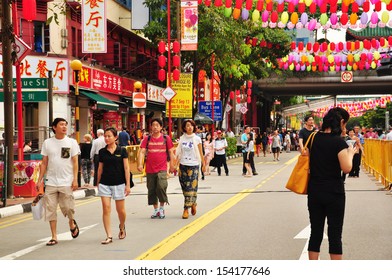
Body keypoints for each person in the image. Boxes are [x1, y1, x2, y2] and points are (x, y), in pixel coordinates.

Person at [307, 107, 356, 260]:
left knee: (315, 232)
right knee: (335, 234)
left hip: (314, 191)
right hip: (334, 193)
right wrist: (351, 153)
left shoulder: (313, 139)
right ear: (341, 122)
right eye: (345, 124)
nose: (345, 128)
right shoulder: (338, 143)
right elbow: (347, 168)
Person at [36, 118, 80, 246]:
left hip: (66, 181)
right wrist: (40, 180)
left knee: (68, 208)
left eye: (65, 125)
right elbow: (44, 162)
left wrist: (75, 179)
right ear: (54, 127)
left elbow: (75, 162)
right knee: (50, 209)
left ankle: (71, 222)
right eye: (61, 124)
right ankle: (54, 236)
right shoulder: (47, 143)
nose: (64, 127)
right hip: (51, 181)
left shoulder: (71, 142)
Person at [97, 127, 131, 244]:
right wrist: (97, 183)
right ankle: (109, 235)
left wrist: (127, 185)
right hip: (104, 184)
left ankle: (122, 226)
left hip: (119, 183)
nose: (106, 138)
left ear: (115, 137)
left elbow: (126, 168)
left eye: (109, 136)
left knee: (120, 210)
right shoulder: (102, 152)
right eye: (105, 136)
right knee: (106, 208)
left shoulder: (122, 151)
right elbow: (100, 168)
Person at [137, 118, 175, 219]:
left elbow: (171, 152)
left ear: (161, 127)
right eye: (153, 125)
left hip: (162, 168)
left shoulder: (166, 138)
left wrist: (172, 165)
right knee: (152, 189)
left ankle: (162, 208)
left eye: (157, 125)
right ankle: (155, 209)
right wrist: (140, 164)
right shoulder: (147, 139)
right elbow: (142, 151)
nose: (155, 127)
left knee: (161, 186)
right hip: (149, 169)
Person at [174, 119, 205, 219]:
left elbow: (201, 153)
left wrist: (203, 164)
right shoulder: (182, 139)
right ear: (184, 128)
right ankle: (193, 202)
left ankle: (185, 209)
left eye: (191, 125)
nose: (190, 127)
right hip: (183, 165)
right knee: (184, 187)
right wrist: (175, 164)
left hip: (194, 165)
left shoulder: (197, 139)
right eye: (187, 125)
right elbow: (178, 152)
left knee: (190, 187)